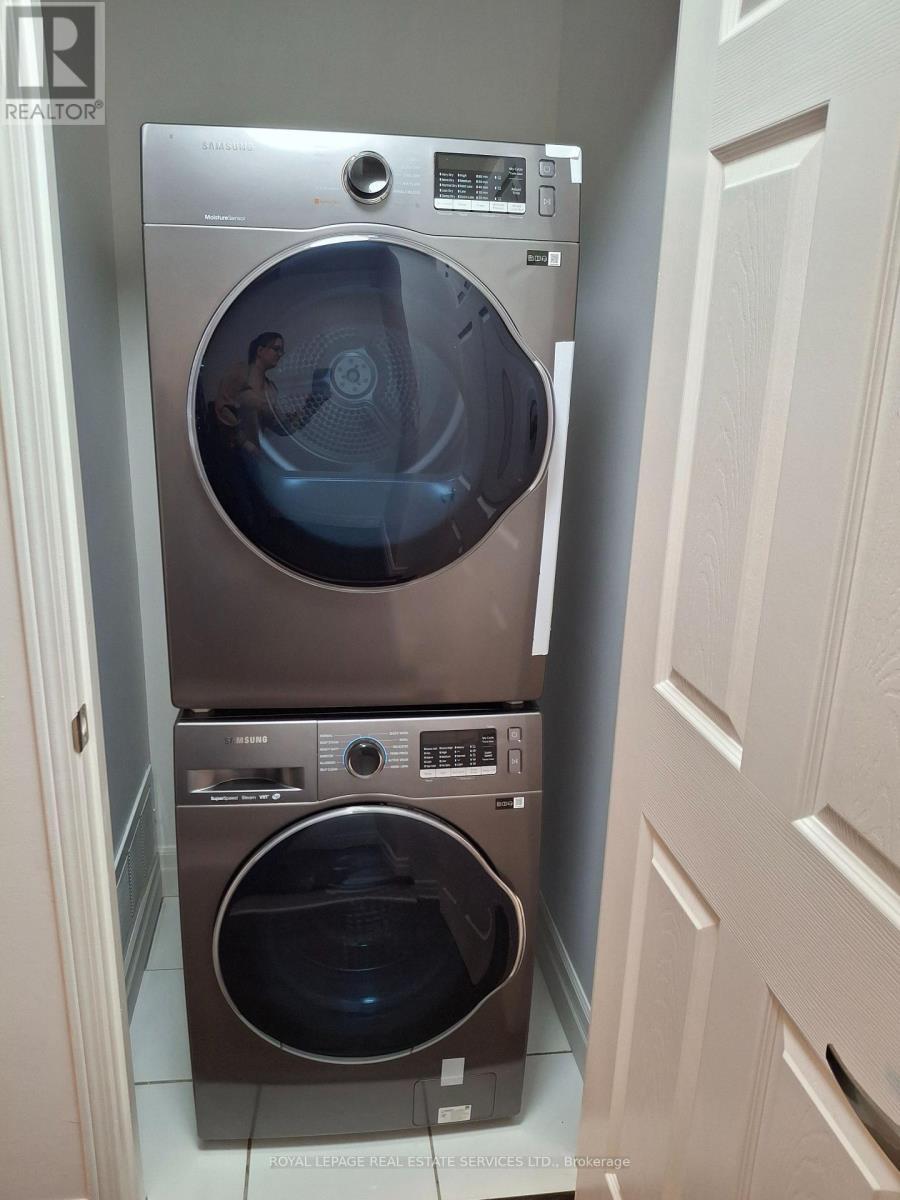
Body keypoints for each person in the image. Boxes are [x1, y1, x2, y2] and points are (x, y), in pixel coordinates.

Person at [214, 331, 285, 456]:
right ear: (260, 350)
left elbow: (279, 424)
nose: (280, 354)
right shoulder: (239, 373)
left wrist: (311, 405)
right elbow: (222, 409)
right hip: (227, 453)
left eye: (281, 351)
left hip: (253, 457)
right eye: (276, 349)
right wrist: (246, 444)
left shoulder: (271, 388)